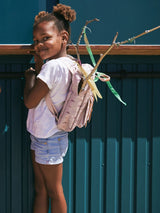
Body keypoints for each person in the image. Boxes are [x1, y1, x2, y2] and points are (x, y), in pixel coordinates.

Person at [24, 4, 76, 213]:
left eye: (46, 38)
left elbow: (30, 101)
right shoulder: (67, 63)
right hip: (48, 134)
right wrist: (40, 65)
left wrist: (29, 78)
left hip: (47, 137)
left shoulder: (53, 67)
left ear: (63, 37)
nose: (39, 44)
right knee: (44, 189)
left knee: (51, 190)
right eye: (36, 40)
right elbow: (49, 89)